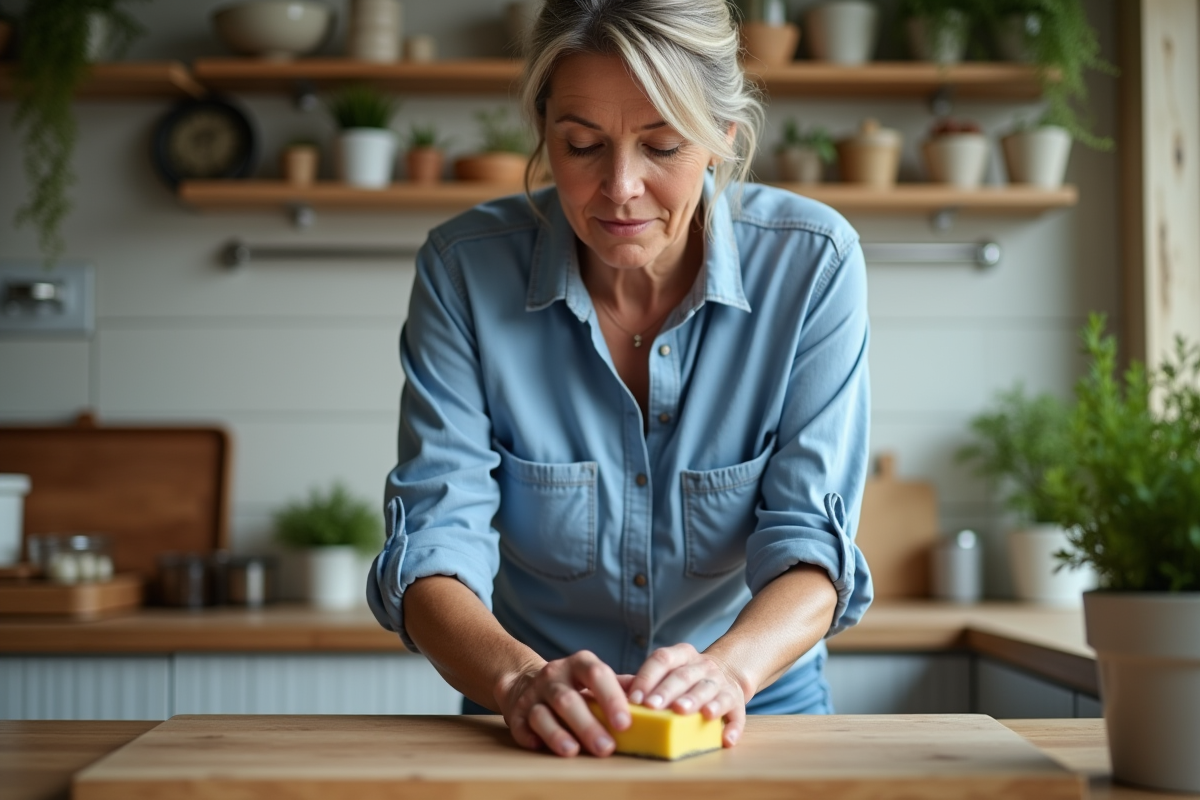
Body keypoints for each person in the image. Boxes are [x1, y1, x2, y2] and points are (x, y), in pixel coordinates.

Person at [367, 0, 872, 759]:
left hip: (758, 714)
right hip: (529, 722)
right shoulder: (463, 271)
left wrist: (727, 673)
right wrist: (517, 681)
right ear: (544, 130)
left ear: (721, 140)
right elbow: (434, 542)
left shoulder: (814, 264)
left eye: (663, 146)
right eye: (582, 145)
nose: (620, 187)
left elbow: (812, 543)